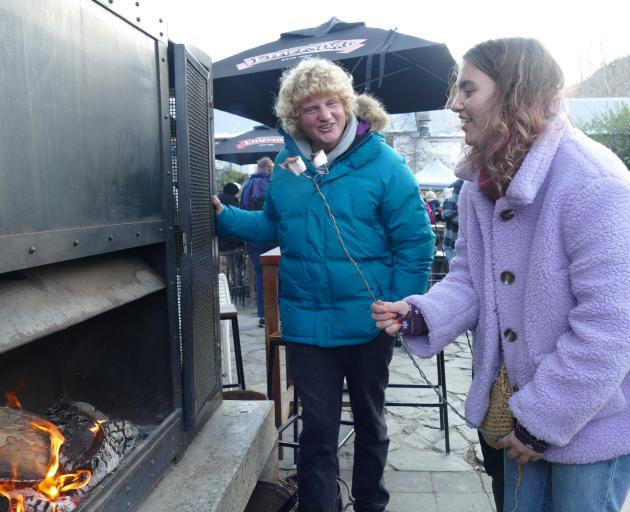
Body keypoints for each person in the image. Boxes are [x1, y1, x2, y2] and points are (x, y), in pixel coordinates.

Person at [371, 37, 630, 512]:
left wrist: (542, 420)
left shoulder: (594, 181)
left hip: (586, 420)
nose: (455, 104)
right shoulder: (480, 186)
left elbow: (613, 325)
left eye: (468, 90)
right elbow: (471, 277)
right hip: (517, 413)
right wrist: (421, 314)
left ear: (514, 91)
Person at [213, 58, 434, 512]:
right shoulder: (286, 166)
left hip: (368, 323)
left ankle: (371, 504)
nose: (324, 115)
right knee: (316, 430)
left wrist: (401, 305)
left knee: (371, 424)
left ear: (347, 105)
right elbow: (271, 226)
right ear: (297, 117)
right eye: (311, 107)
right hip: (308, 326)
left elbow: (416, 240)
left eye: (332, 103)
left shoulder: (384, 164)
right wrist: (224, 216)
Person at [240, 157, 276, 327]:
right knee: (278, 273)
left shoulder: (247, 185)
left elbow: (243, 209)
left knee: (261, 274)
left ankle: (264, 315)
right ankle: (277, 315)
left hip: (252, 236)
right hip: (270, 234)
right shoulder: (272, 181)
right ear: (269, 168)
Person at [440, 178, 463, 265]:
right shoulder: (455, 186)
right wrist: (472, 220)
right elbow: (446, 213)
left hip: (453, 244)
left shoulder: (451, 186)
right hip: (453, 245)